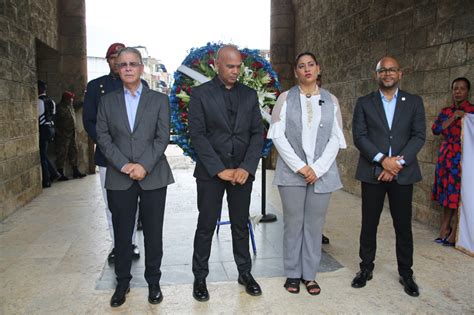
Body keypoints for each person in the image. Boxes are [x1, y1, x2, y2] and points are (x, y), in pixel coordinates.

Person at [96, 47, 174, 307]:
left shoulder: (159, 100)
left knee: (153, 232)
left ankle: (154, 282)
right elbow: (103, 137)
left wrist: (144, 165)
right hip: (120, 177)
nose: (128, 68)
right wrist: (124, 165)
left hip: (152, 176)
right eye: (123, 65)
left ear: (141, 68)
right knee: (122, 232)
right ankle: (122, 282)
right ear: (117, 70)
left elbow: (162, 137)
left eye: (133, 64)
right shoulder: (107, 101)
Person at [188, 45, 264, 301]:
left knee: (240, 224)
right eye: (229, 66)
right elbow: (197, 135)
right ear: (216, 65)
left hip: (242, 172)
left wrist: (246, 167)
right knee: (206, 225)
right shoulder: (200, 94)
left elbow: (257, 134)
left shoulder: (250, 95)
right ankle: (200, 277)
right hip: (212, 173)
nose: (235, 71)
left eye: (238, 66)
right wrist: (220, 170)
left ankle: (245, 272)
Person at [268, 52, 346, 295]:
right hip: (293, 173)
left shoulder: (331, 100)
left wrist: (317, 168)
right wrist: (301, 167)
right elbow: (277, 136)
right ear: (296, 72)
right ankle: (292, 273)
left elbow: (336, 138)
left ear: (318, 69)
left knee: (314, 225)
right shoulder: (285, 99)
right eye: (301, 66)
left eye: (311, 65)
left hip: (321, 173)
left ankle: (310, 275)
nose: (307, 69)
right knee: (294, 224)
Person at [351, 56, 426, 297]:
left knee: (403, 225)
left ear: (400, 73)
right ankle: (365, 268)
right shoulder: (365, 102)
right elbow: (360, 136)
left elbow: (418, 136)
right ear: (377, 75)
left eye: (392, 69)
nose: (387, 74)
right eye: (383, 70)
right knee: (369, 223)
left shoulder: (414, 102)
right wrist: (383, 160)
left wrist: (397, 163)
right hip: (373, 172)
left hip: (403, 174)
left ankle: (406, 272)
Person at [83, 43, 141, 263]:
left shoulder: (139, 84)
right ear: (109, 61)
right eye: (114, 58)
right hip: (108, 157)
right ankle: (118, 244)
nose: (119, 63)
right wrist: (109, 147)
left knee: (133, 202)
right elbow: (90, 121)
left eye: (123, 58)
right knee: (112, 203)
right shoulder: (97, 86)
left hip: (133, 157)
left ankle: (132, 242)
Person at [432, 77, 474, 246]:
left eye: (462, 89)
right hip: (446, 156)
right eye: (455, 88)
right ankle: (444, 227)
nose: (458, 91)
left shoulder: (472, 111)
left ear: (468, 91)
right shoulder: (446, 111)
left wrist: (464, 117)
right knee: (446, 193)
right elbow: (436, 129)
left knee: (459, 194)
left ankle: (455, 231)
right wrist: (454, 117)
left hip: (463, 158)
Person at [54, 91, 86, 180]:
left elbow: (77, 106)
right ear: (65, 99)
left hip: (72, 134)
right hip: (62, 136)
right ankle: (60, 174)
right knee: (62, 154)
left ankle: (75, 171)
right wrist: (58, 132)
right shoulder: (59, 108)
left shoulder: (70, 107)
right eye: (70, 99)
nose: (72, 100)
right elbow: (54, 122)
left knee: (73, 152)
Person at [316, 73, 330, 246]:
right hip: (300, 163)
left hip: (322, 160)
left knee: (318, 207)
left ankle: (317, 231)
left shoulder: (328, 100)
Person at [37, 80, 60, 188]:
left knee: (42, 156)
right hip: (51, 129)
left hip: (42, 130)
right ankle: (54, 173)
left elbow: (36, 117)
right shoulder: (52, 101)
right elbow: (53, 115)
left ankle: (47, 180)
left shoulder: (38, 101)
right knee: (44, 154)